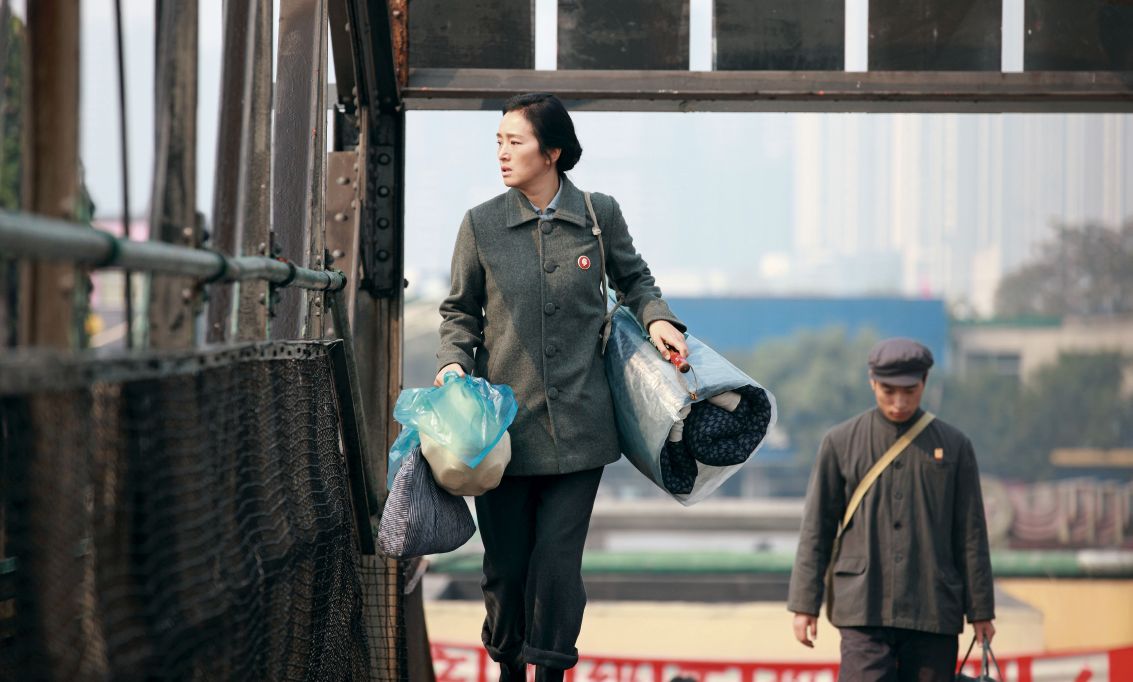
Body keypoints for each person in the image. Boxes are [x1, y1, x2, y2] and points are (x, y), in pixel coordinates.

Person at [435, 92, 688, 682]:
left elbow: (635, 281)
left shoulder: (599, 215)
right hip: (501, 434)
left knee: (556, 566)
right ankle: (508, 665)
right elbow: (460, 313)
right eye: (498, 141)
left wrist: (657, 319)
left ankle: (549, 671)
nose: (502, 153)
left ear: (551, 153)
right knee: (506, 569)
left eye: (514, 141)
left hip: (582, 429)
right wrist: (452, 364)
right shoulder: (480, 224)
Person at [787, 338, 996, 681]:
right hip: (862, 608)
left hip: (933, 608)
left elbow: (971, 534)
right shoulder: (840, 442)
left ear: (924, 383)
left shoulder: (955, 445)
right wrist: (804, 605)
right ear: (872, 382)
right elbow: (816, 529)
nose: (899, 402)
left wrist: (981, 611)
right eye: (888, 391)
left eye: (910, 391)